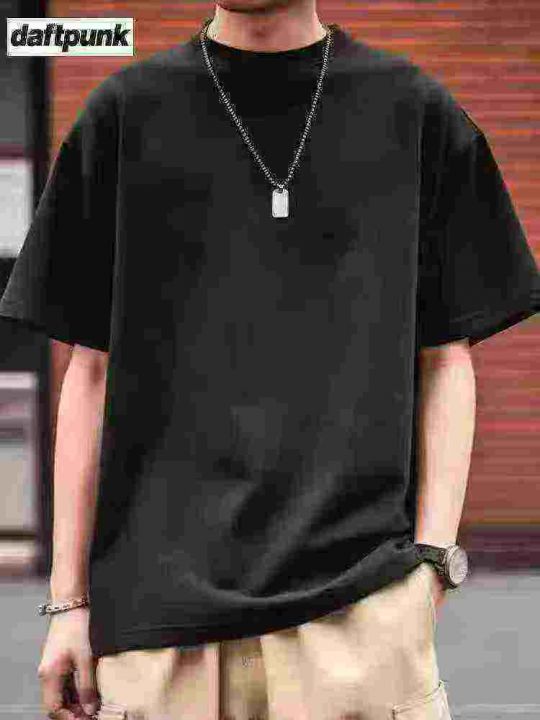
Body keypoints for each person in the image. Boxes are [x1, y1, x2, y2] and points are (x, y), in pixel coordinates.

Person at [1, 1, 539, 718]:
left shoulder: (416, 114)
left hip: (358, 618)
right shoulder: (122, 117)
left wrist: (434, 563)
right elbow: (88, 374)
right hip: (157, 638)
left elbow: (447, 358)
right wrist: (68, 602)